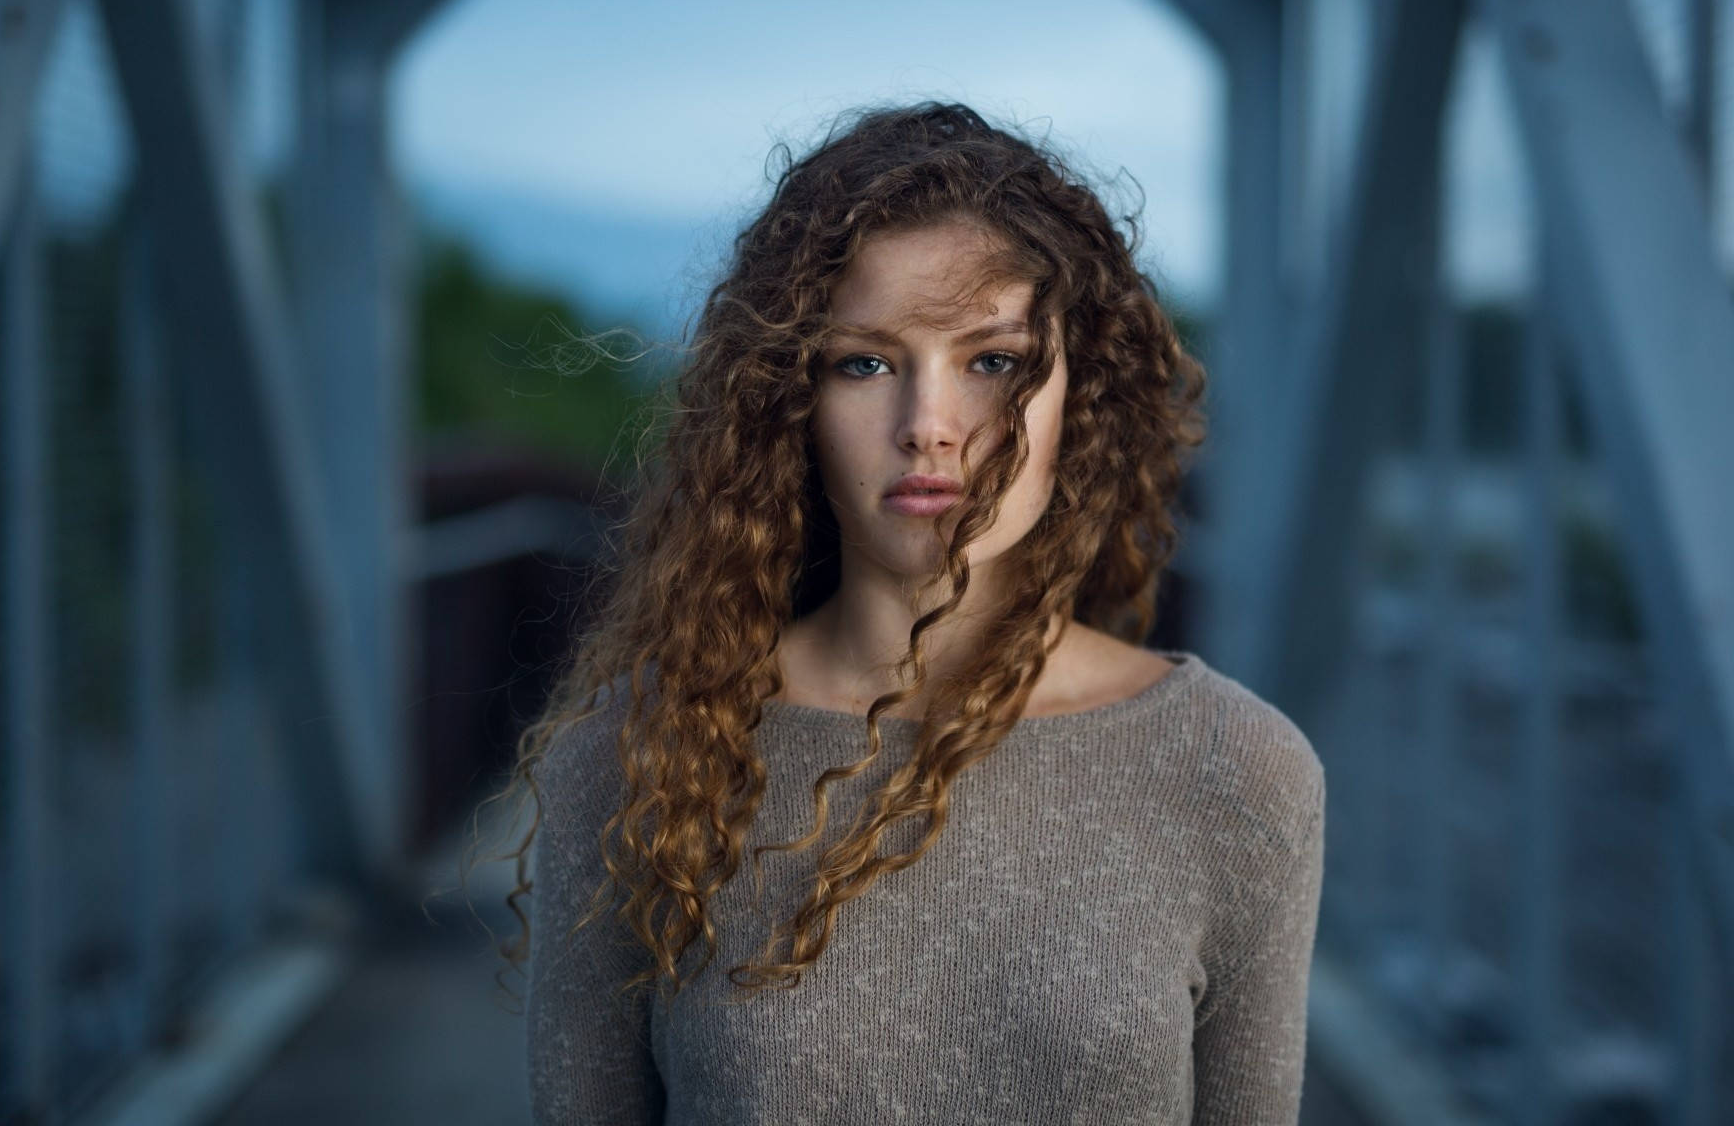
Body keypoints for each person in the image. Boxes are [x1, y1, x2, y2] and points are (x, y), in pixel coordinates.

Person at [493, 102, 1325, 1124]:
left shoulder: (1236, 768)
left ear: (1083, 391)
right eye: (866, 362)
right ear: (789, 400)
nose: (929, 426)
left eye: (993, 362)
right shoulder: (633, 754)